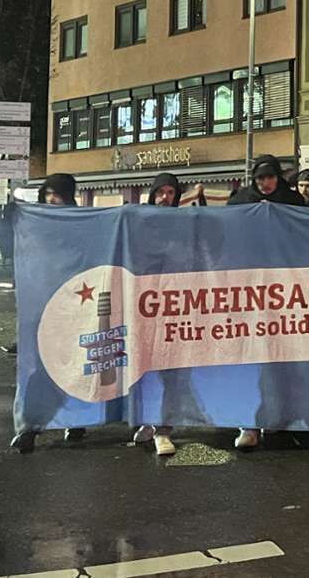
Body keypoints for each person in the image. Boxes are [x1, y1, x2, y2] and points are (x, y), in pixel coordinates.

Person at [228, 156, 305, 450]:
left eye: (270, 177)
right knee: (251, 358)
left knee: (281, 359)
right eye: (260, 178)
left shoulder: (292, 201)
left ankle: (278, 415)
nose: (265, 183)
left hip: (284, 290)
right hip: (248, 290)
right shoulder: (242, 201)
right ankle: (249, 422)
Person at [11, 175, 85, 453]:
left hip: (72, 304)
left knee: (74, 367)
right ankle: (30, 426)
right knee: (38, 367)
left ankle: (77, 419)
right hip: (41, 305)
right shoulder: (35, 223)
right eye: (49, 194)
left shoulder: (81, 222)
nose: (53, 200)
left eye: (59, 195)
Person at [130, 173, 184, 456]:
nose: (165, 197)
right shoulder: (138, 222)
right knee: (143, 367)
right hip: (143, 305)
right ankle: (147, 420)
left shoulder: (184, 225)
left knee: (169, 370)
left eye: (171, 192)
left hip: (174, 307)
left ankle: (164, 428)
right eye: (160, 192)